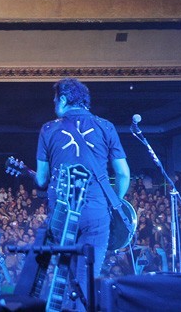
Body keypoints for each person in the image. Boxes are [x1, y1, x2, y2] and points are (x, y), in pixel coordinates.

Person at [35, 78, 130, 311]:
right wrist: (112, 201)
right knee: (87, 280)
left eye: (55, 100)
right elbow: (123, 174)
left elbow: (42, 179)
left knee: (67, 279)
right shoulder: (105, 126)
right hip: (96, 212)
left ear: (63, 99)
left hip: (62, 213)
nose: (54, 104)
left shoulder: (49, 129)